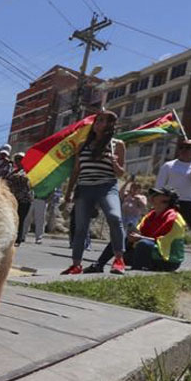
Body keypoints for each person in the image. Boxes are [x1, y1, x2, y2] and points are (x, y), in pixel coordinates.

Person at [61, 110, 127, 275]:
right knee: (81, 228)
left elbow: (120, 173)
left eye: (107, 121)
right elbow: (76, 170)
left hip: (107, 186)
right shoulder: (83, 145)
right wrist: (69, 193)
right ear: (94, 124)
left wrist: (115, 164)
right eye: (100, 120)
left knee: (115, 217)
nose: (102, 123)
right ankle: (76, 264)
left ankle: (119, 259)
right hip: (84, 188)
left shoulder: (117, 144)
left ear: (112, 126)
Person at [86, 187, 186, 272]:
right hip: (150, 252)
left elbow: (164, 242)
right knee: (119, 238)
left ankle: (135, 272)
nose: (152, 195)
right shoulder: (151, 215)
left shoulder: (175, 219)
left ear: (166, 199)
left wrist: (139, 238)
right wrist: (132, 237)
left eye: (157, 194)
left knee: (143, 244)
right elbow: (138, 232)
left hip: (168, 260)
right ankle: (99, 265)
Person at [156, 139, 191, 267]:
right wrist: (160, 200)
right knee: (163, 226)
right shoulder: (168, 166)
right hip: (171, 201)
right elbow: (159, 186)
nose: (184, 150)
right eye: (182, 148)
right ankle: (158, 252)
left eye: (188, 148)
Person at [6, 153, 33, 246]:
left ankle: (18, 239)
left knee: (20, 219)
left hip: (24, 199)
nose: (18, 161)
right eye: (16, 159)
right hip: (13, 198)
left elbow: (27, 181)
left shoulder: (28, 171)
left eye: (20, 159)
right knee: (12, 218)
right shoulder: (13, 171)